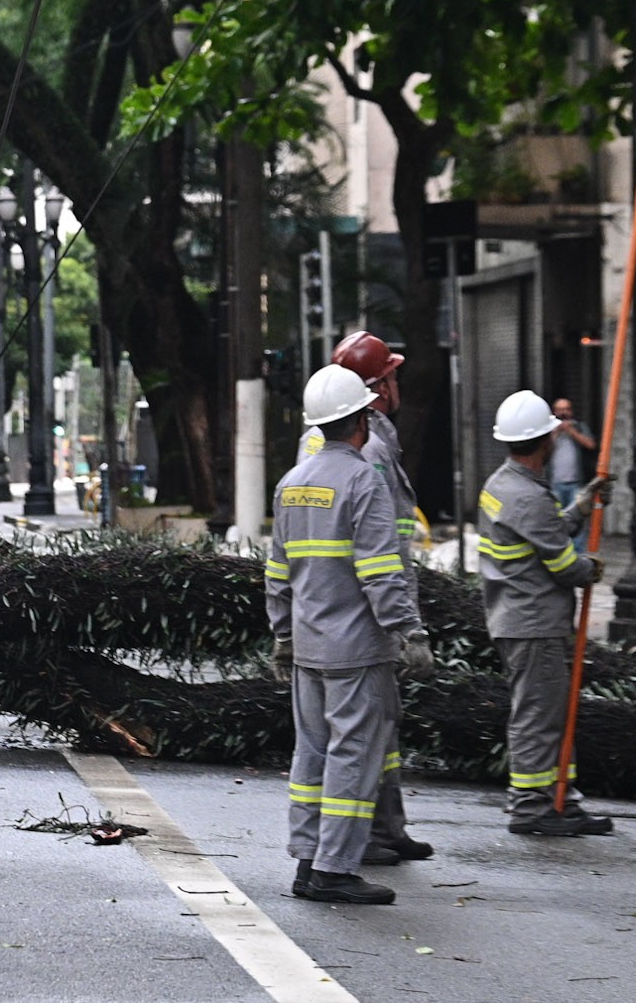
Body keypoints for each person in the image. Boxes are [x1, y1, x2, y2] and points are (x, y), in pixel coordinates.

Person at [268, 364, 430, 905]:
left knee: (310, 753)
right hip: (356, 648)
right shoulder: (363, 479)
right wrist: (409, 632)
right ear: (362, 417)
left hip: (306, 645)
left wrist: (281, 635)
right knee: (353, 756)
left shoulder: (291, 484)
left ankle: (307, 861)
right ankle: (335, 871)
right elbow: (381, 571)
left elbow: (277, 571)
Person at [479, 389, 612, 837]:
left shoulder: (503, 484)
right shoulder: (527, 496)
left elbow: (546, 533)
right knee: (538, 715)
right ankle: (531, 806)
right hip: (533, 622)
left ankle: (560, 799)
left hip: (520, 617)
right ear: (546, 440)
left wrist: (583, 503)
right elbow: (563, 565)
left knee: (550, 712)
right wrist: (590, 567)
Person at [327, 331, 434, 865]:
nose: (398, 384)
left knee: (383, 721)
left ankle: (388, 827)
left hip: (370, 601)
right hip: (368, 607)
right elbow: (374, 544)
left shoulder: (374, 436)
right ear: (378, 387)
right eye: (392, 375)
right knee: (367, 728)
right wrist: (403, 623)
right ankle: (366, 835)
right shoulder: (368, 446)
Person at [545, 396, 596, 509]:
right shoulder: (548, 430)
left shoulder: (579, 427)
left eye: (566, 409)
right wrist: (556, 432)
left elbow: (591, 445)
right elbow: (543, 451)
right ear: (554, 412)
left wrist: (571, 431)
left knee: (576, 518)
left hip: (576, 483)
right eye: (560, 410)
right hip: (555, 484)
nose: (563, 413)